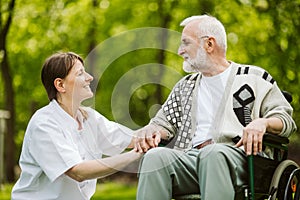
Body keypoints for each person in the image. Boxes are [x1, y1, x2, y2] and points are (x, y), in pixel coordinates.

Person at [135, 15, 297, 200]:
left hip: (242, 160)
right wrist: (150, 130)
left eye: (186, 43)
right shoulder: (185, 86)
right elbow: (163, 124)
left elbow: (285, 120)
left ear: (209, 44)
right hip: (191, 160)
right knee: (155, 157)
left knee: (212, 153)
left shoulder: (254, 78)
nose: (180, 51)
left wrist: (263, 123)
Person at [11, 52, 143, 200]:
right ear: (60, 85)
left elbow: (132, 137)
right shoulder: (44, 124)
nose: (89, 77)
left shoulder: (89, 117)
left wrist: (160, 128)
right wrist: (134, 155)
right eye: (80, 73)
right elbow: (78, 172)